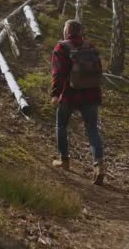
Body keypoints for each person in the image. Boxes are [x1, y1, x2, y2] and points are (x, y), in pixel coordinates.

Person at [51, 19, 105, 185]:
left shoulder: (61, 47)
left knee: (61, 125)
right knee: (92, 128)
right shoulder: (90, 47)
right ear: (80, 32)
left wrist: (55, 94)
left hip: (69, 94)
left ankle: (64, 160)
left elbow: (58, 73)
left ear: (66, 31)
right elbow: (99, 72)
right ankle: (98, 166)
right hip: (90, 93)